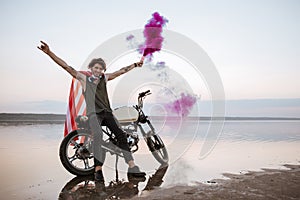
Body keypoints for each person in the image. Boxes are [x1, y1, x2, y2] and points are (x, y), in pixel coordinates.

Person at [38, 41, 146, 182]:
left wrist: (135, 65)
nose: (98, 70)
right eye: (96, 68)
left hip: (107, 113)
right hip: (94, 114)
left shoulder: (104, 78)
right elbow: (66, 67)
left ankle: (132, 167)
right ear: (91, 68)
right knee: (98, 135)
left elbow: (121, 71)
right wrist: (49, 53)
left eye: (101, 69)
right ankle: (98, 170)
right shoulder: (84, 79)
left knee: (121, 135)